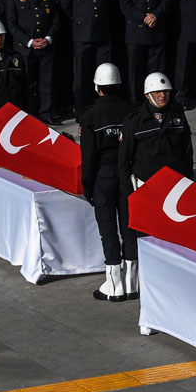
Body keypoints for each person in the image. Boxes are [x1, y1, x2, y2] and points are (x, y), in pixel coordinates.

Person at [117, 72, 194, 299]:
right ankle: (150, 283)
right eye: (158, 92)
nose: (163, 96)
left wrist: (189, 186)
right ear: (148, 94)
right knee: (149, 240)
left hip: (174, 191)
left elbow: (187, 153)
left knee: (174, 237)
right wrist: (128, 193)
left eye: (166, 92)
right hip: (147, 189)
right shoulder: (134, 122)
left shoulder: (178, 116)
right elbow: (124, 161)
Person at [79, 63, 135, 302]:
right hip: (128, 176)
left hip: (103, 176)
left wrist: (87, 185)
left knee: (108, 232)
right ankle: (133, 283)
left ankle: (114, 285)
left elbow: (88, 156)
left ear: (97, 87)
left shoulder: (90, 116)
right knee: (129, 229)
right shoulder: (133, 111)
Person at [4, 0, 58, 122]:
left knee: (46, 82)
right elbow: (11, 23)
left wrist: (48, 38)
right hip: (25, 47)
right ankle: (29, 115)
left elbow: (55, 18)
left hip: (45, 45)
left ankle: (45, 113)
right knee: (27, 83)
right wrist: (29, 41)